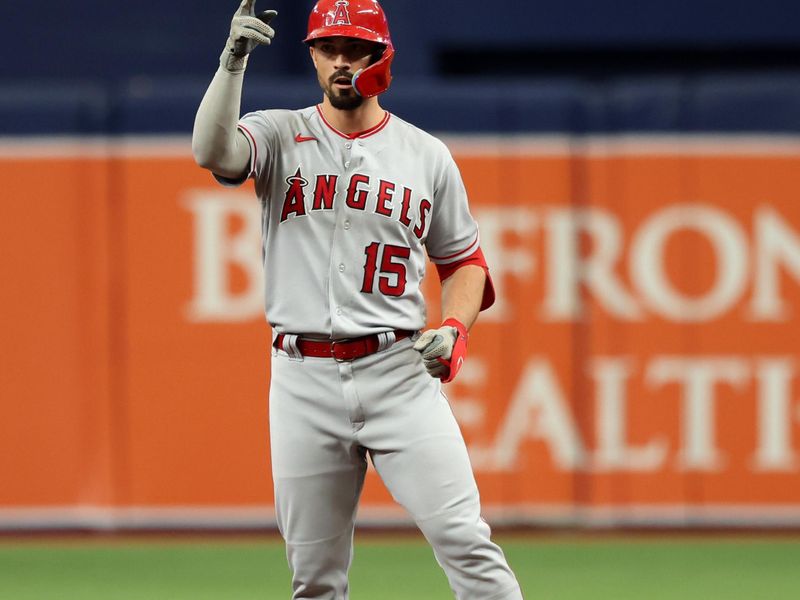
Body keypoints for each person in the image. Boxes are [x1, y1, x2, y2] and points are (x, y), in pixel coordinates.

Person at [192, 1, 523, 598]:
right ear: (313, 55)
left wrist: (454, 327)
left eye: (356, 48)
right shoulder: (277, 131)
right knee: (315, 580)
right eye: (328, 48)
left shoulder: (426, 155)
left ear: (382, 56)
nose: (341, 61)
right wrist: (231, 64)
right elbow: (213, 154)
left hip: (398, 371)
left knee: (467, 544)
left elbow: (465, 262)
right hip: (302, 377)